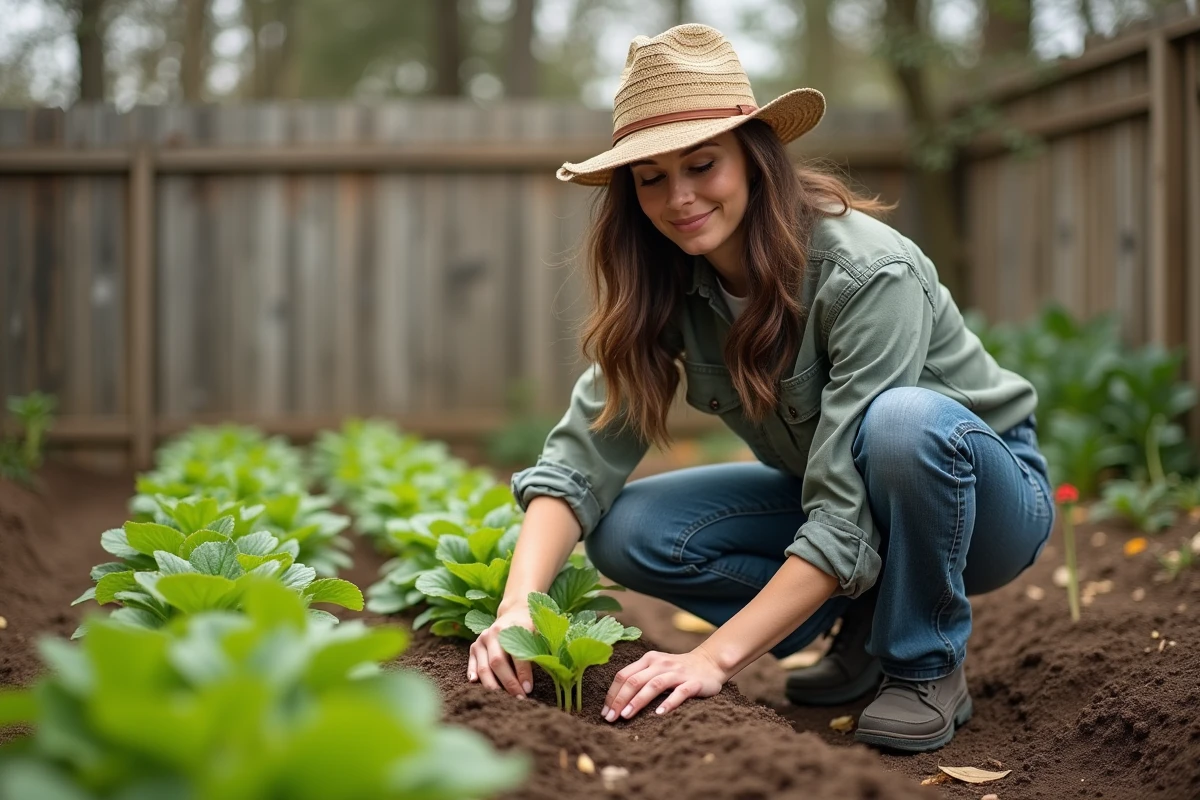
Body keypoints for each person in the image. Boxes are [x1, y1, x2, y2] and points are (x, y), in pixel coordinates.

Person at [466, 23, 1054, 753]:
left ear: (754, 158)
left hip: (983, 506)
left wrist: (711, 658)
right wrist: (518, 604)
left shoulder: (867, 274)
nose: (678, 197)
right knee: (631, 530)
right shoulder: (674, 282)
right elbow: (582, 457)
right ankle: (863, 625)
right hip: (843, 495)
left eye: (701, 165)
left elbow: (849, 504)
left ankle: (923, 662)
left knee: (902, 425)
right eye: (651, 178)